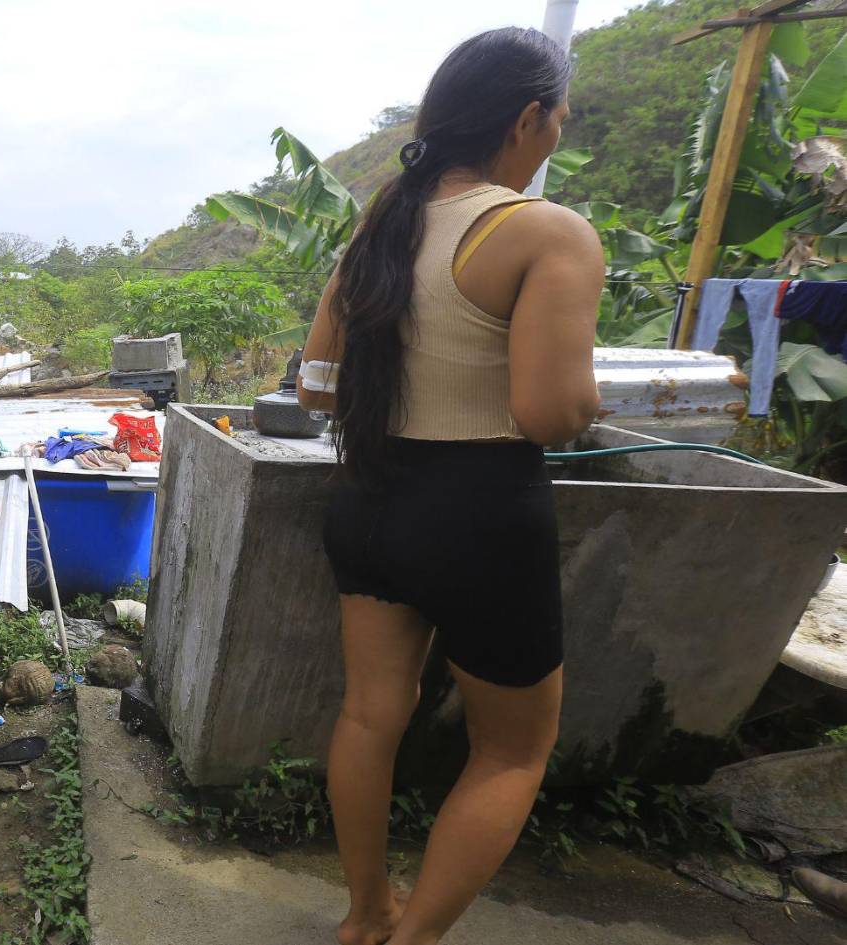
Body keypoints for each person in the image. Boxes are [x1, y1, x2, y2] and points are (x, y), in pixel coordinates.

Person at [296, 27, 603, 945]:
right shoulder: (545, 230)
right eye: (559, 114)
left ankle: (364, 916)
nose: (559, 130)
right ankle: (416, 936)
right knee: (511, 748)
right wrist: (589, 388)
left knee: (368, 712)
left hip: (370, 494)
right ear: (528, 118)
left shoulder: (383, 221)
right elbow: (551, 415)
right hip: (477, 512)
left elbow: (315, 384)